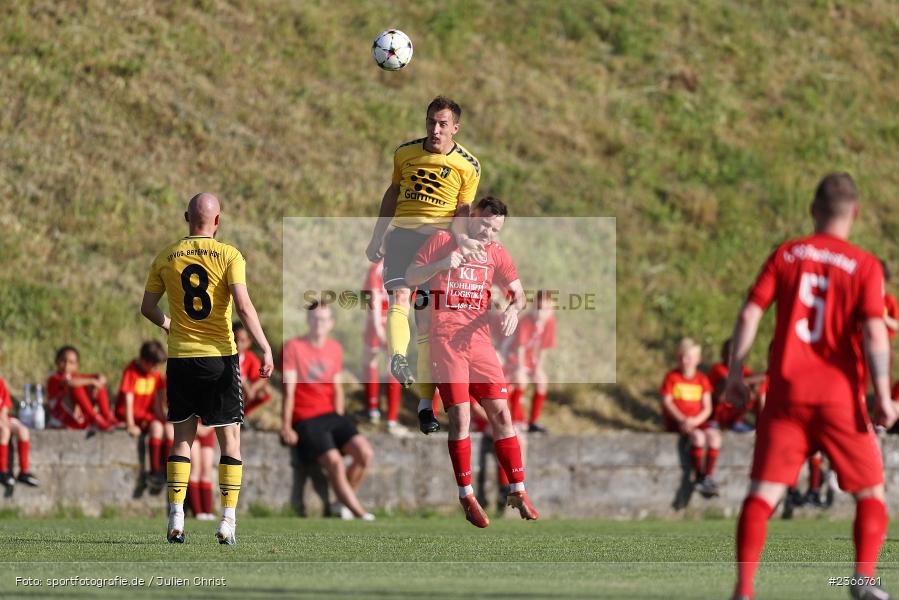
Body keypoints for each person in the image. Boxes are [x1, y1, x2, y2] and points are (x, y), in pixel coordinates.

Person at [725, 173, 896, 600]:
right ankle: (861, 581)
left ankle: (744, 590)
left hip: (786, 395)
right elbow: (876, 336)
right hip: (840, 397)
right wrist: (884, 395)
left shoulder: (786, 254)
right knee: (870, 492)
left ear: (812, 209)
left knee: (762, 494)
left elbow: (750, 314)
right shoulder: (865, 265)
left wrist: (734, 373)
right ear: (854, 213)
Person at [141, 192, 273, 545]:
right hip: (220, 358)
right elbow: (243, 306)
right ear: (218, 221)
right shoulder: (230, 255)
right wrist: (263, 345)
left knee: (182, 440)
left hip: (181, 357)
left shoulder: (167, 256)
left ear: (187, 217)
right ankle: (227, 520)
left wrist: (170, 323)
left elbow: (147, 307)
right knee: (229, 441)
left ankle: (176, 517)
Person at [406, 196, 538, 527]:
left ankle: (517, 489)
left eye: (495, 229)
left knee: (502, 413)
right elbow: (410, 276)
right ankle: (466, 495)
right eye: (485, 225)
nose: (489, 233)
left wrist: (513, 308)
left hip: (479, 341)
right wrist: (440, 265)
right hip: (446, 340)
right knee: (461, 416)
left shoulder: (496, 252)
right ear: (472, 217)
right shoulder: (443, 240)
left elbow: (519, 293)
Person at [365, 96, 484, 434]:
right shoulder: (405, 153)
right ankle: (397, 358)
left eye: (443, 124)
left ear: (455, 128)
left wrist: (460, 241)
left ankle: (423, 406)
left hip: (437, 244)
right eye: (431, 121)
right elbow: (392, 193)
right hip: (402, 236)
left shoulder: (468, 165)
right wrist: (377, 237)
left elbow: (462, 209)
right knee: (399, 300)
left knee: (429, 326)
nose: (435, 129)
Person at [279, 302, 375, 521]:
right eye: (314, 318)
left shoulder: (335, 348)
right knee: (335, 463)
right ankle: (359, 513)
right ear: (307, 320)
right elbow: (289, 391)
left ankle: (341, 504)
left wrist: (339, 417)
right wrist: (286, 426)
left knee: (365, 454)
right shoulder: (293, 347)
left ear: (331, 323)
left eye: (323, 319)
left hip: (331, 415)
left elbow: (337, 386)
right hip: (306, 418)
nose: (318, 323)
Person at [660, 338, 720, 497]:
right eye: (681, 357)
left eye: (688, 357)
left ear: (698, 360)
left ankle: (707, 476)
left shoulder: (702, 379)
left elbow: (707, 408)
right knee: (699, 438)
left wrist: (695, 421)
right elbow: (667, 402)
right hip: (679, 422)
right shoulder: (672, 377)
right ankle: (699, 476)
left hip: (697, 421)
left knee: (714, 438)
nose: (684, 361)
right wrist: (683, 420)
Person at [115, 340, 172, 491]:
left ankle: (169, 469)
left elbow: (158, 396)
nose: (156, 369)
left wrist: (161, 417)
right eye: (154, 365)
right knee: (156, 428)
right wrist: (130, 424)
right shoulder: (131, 371)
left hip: (146, 416)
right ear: (144, 361)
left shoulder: (154, 372)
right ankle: (155, 472)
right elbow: (128, 398)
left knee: (167, 428)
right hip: (132, 416)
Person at [361, 260, 403, 432]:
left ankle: (373, 409)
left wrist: (377, 325)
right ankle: (390, 418)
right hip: (396, 321)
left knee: (371, 361)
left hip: (378, 321)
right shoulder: (406, 266)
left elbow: (373, 296)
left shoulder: (378, 268)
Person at [506, 290, 556, 434]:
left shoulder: (549, 322)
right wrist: (521, 369)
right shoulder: (525, 321)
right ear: (533, 307)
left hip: (529, 357)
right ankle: (515, 420)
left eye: (546, 309)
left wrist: (538, 369)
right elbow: (519, 348)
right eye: (539, 308)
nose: (542, 313)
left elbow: (544, 348)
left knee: (542, 381)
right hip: (513, 356)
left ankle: (533, 421)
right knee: (520, 380)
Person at [47, 346, 116, 431]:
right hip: (62, 420)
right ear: (56, 362)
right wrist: (92, 381)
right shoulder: (54, 378)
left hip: (77, 418)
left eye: (71, 362)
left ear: (77, 366)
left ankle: (106, 416)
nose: (67, 365)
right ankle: (95, 418)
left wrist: (97, 384)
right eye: (63, 361)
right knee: (77, 386)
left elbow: (101, 377)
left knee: (98, 385)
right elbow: (69, 382)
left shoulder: (75, 376)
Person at [0, 373, 39, 489]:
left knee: (23, 431)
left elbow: (5, 403)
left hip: (3, 418)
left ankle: (24, 472)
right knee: (4, 431)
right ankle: (3, 471)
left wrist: (3, 416)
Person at [233, 322, 273, 419]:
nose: (238, 344)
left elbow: (262, 378)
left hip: (240, 395)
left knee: (265, 391)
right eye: (235, 340)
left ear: (249, 342)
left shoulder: (250, 358)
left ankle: (240, 415)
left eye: (242, 341)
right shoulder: (223, 357)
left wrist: (253, 388)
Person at [187, 423, 217, 520]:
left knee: (207, 470)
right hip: (191, 426)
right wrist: (196, 426)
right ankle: (197, 512)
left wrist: (211, 425)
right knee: (195, 468)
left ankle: (208, 512)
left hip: (208, 427)